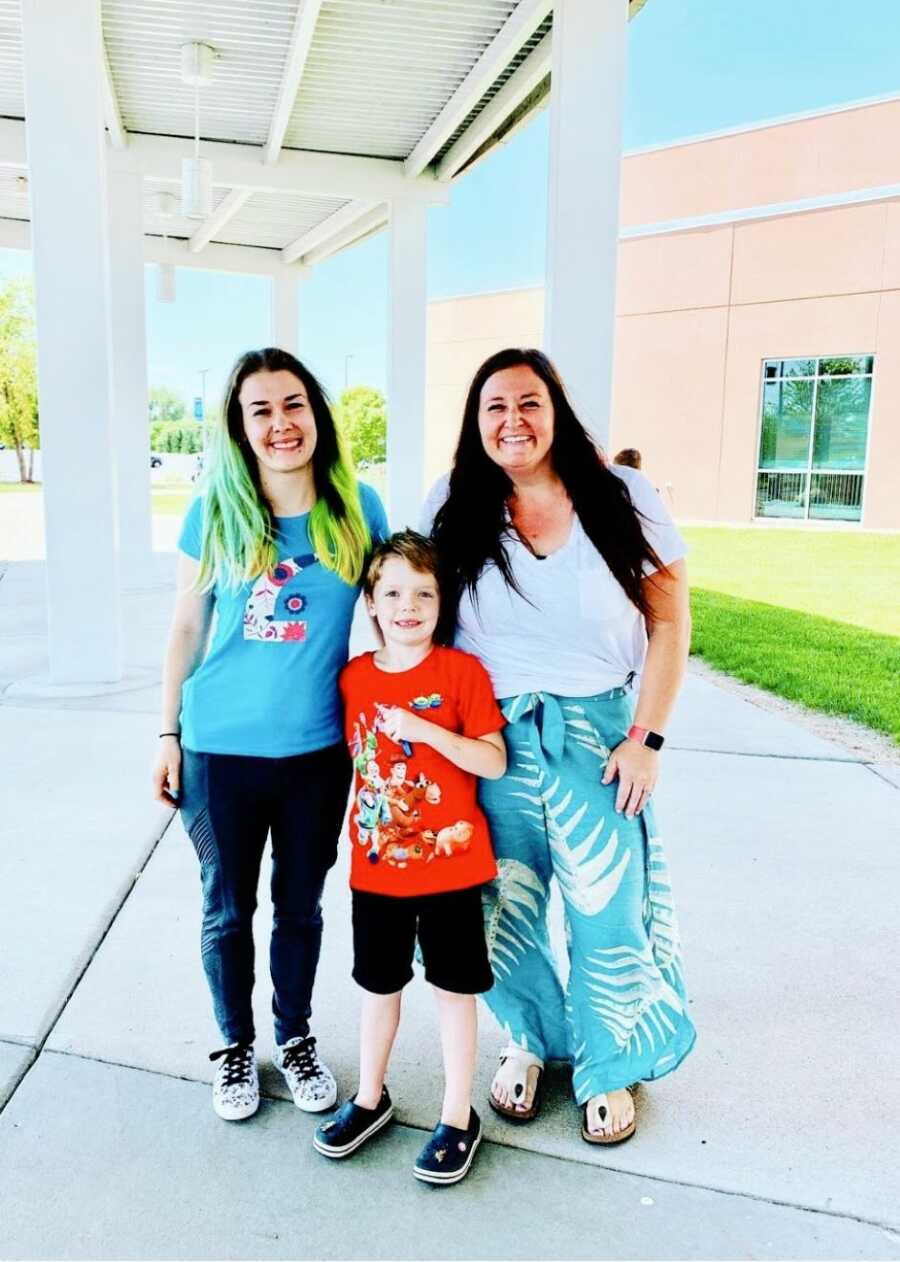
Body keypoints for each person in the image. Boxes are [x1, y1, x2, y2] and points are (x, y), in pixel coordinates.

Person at [423, 348, 696, 1146]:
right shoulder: (452, 501)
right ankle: (533, 1038)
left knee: (607, 905)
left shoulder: (621, 495)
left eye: (529, 402)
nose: (513, 420)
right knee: (501, 906)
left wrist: (646, 739)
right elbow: (423, 620)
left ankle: (609, 1060)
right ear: (476, 424)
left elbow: (671, 623)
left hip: (598, 735)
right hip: (488, 736)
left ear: (557, 410)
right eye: (494, 406)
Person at [152, 347, 388, 1123]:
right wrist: (167, 733)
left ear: (316, 412)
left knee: (301, 908)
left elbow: (399, 615)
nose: (281, 423)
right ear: (240, 426)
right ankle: (234, 1047)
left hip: (318, 754)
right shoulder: (213, 508)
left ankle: (294, 1037)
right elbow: (187, 625)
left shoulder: (359, 509)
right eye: (261, 410)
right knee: (227, 909)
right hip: (219, 750)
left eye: (293, 404)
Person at [313, 531, 506, 1185]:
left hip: (451, 869)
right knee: (379, 986)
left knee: (454, 990)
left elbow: (492, 758)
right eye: (393, 592)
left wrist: (427, 730)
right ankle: (371, 1097)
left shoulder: (461, 673)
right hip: (377, 870)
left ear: (441, 601)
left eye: (424, 593)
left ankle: (458, 1114)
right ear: (371, 602)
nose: (409, 606)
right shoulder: (354, 680)